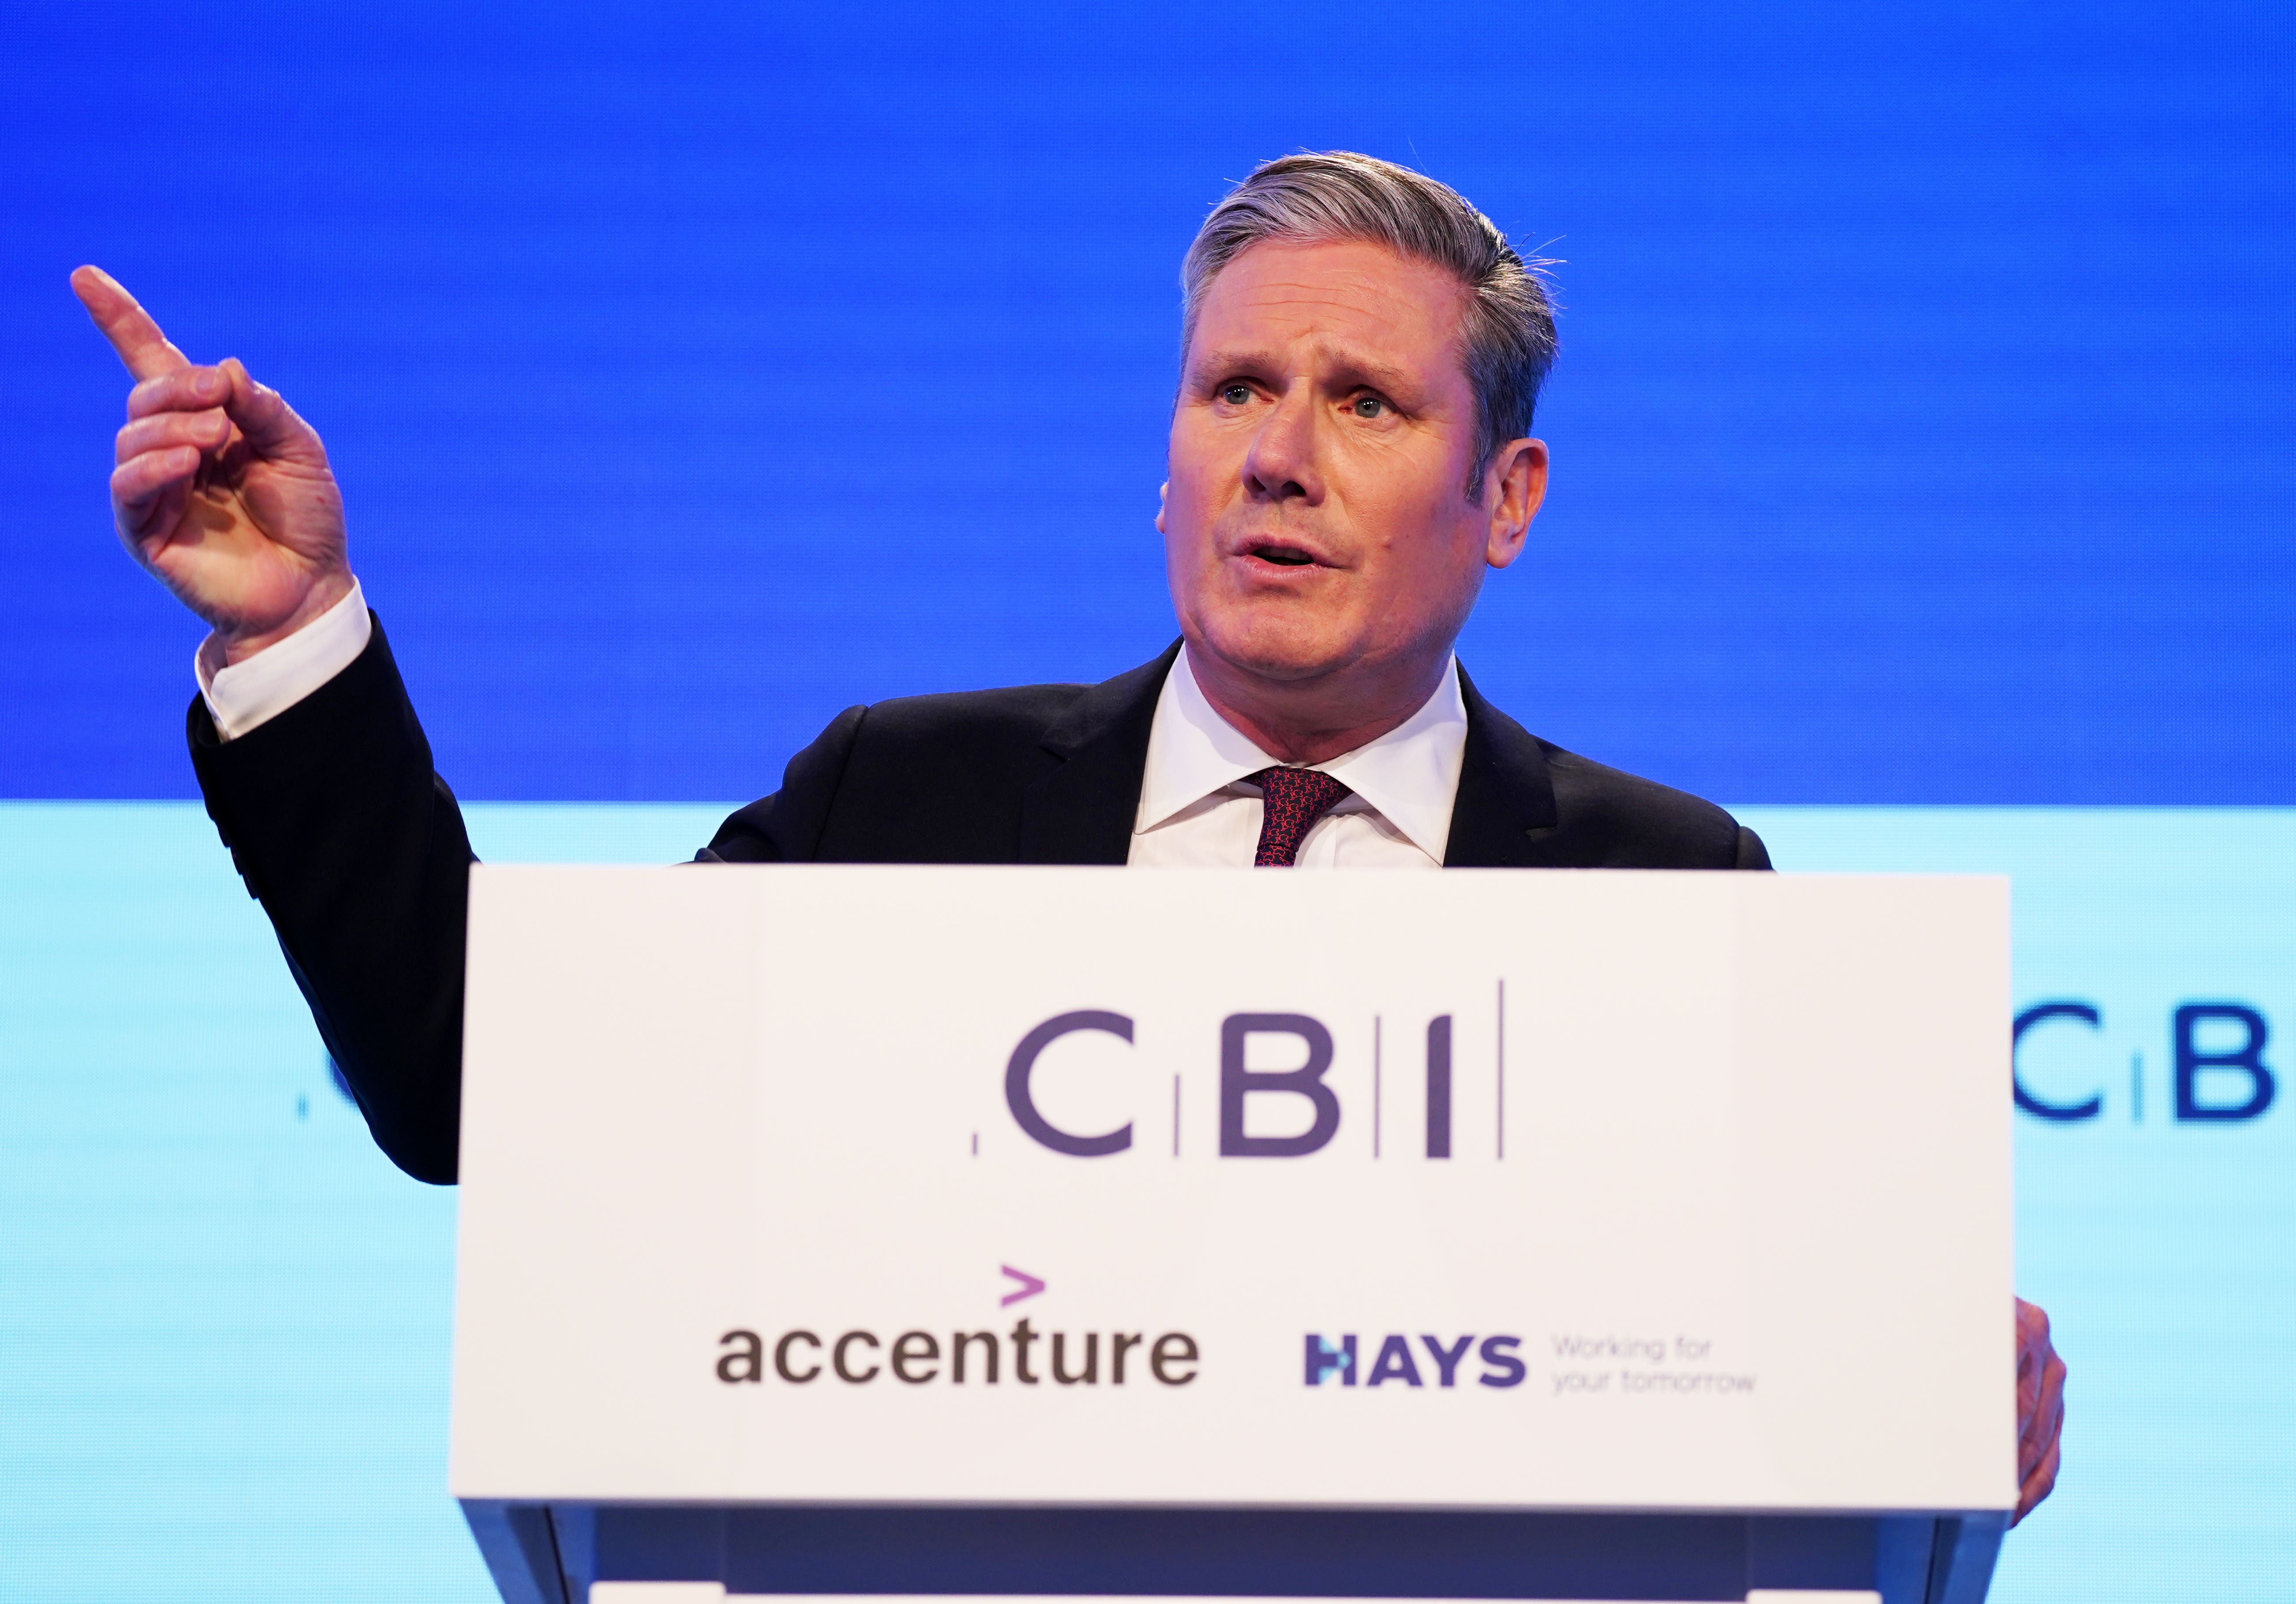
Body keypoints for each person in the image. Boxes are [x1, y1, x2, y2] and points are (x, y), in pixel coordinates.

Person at [72, 150, 2062, 1521]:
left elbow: (1779, 1374)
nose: (1274, 453)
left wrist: (1919, 1390)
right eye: (1232, 390)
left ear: (1507, 494)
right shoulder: (902, 805)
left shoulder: (1668, 891)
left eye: (1362, 401)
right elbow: (471, 1089)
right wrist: (291, 635)